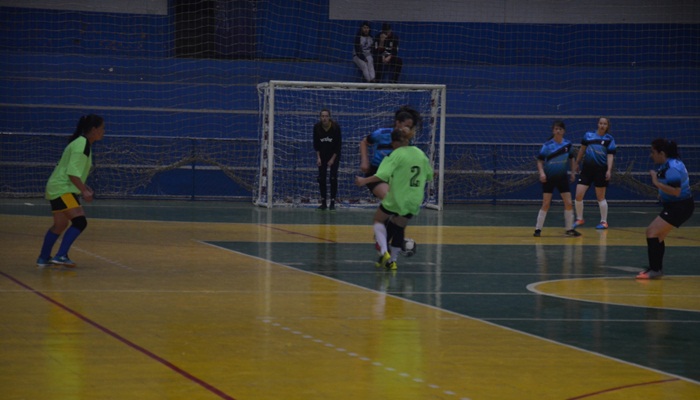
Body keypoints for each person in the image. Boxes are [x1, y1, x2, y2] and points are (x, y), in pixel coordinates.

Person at [355, 127, 433, 270]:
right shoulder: (420, 154)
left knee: (379, 219)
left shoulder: (395, 155)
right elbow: (430, 175)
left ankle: (384, 252)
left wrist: (363, 181)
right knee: (399, 226)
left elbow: (381, 175)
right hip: (414, 200)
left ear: (396, 142)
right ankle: (393, 261)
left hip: (397, 198)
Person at [37, 114, 105, 268]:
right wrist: (84, 191)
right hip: (62, 189)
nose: (104, 131)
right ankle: (61, 255)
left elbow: (74, 172)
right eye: (102, 128)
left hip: (58, 187)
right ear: (94, 130)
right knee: (80, 222)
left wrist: (84, 187)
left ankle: (43, 258)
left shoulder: (81, 143)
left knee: (60, 225)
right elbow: (72, 173)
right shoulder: (82, 145)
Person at [636, 139, 694, 279]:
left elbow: (676, 191)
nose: (651, 155)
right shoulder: (668, 164)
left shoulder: (672, 167)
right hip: (676, 206)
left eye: (653, 152)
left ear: (661, 153)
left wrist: (656, 183)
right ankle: (656, 268)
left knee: (651, 232)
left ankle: (655, 270)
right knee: (658, 236)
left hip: (680, 206)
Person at [359, 105, 420, 199]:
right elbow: (364, 142)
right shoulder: (382, 133)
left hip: (396, 174)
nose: (408, 129)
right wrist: (364, 161)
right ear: (398, 123)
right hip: (377, 171)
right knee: (389, 198)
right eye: (406, 126)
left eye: (410, 127)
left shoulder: (407, 140)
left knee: (398, 202)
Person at [533, 121, 580, 237]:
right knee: (546, 204)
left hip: (562, 177)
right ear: (553, 131)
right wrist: (542, 173)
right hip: (549, 177)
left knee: (569, 203)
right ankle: (538, 229)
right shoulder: (547, 145)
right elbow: (539, 161)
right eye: (556, 129)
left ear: (563, 131)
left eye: (560, 129)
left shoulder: (568, 145)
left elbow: (571, 159)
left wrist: (573, 173)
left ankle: (569, 229)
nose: (558, 131)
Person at [573, 117, 617, 230]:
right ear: (597, 124)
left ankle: (604, 221)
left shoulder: (609, 139)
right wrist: (577, 163)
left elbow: (610, 155)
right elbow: (582, 150)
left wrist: (608, 170)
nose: (602, 125)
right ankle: (579, 218)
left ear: (607, 126)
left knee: (600, 197)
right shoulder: (588, 135)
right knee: (578, 195)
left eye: (605, 124)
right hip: (587, 169)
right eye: (601, 123)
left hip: (601, 170)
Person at [313, 108, 342, 211]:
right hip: (323, 155)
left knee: (333, 177)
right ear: (320, 117)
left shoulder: (335, 128)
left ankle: (333, 202)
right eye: (322, 116)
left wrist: (332, 159)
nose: (324, 118)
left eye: (326, 116)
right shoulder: (317, 127)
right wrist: (318, 158)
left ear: (329, 117)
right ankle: (324, 203)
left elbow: (338, 146)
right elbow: (316, 145)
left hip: (334, 154)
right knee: (322, 178)